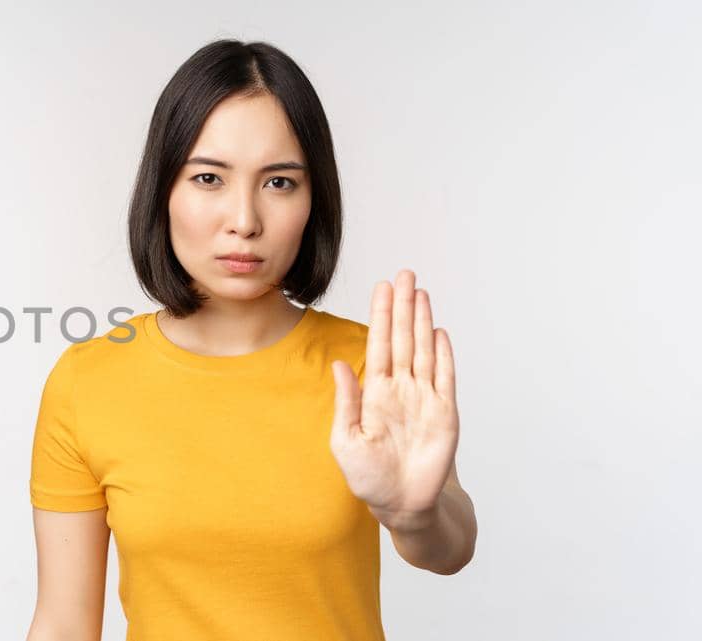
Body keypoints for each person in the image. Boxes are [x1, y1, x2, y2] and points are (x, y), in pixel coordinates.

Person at [25, 39, 478, 641]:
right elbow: (62, 624)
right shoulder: (88, 382)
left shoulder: (370, 368)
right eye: (209, 177)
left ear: (314, 200)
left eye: (279, 183)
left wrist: (413, 515)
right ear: (163, 189)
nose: (244, 219)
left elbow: (450, 549)